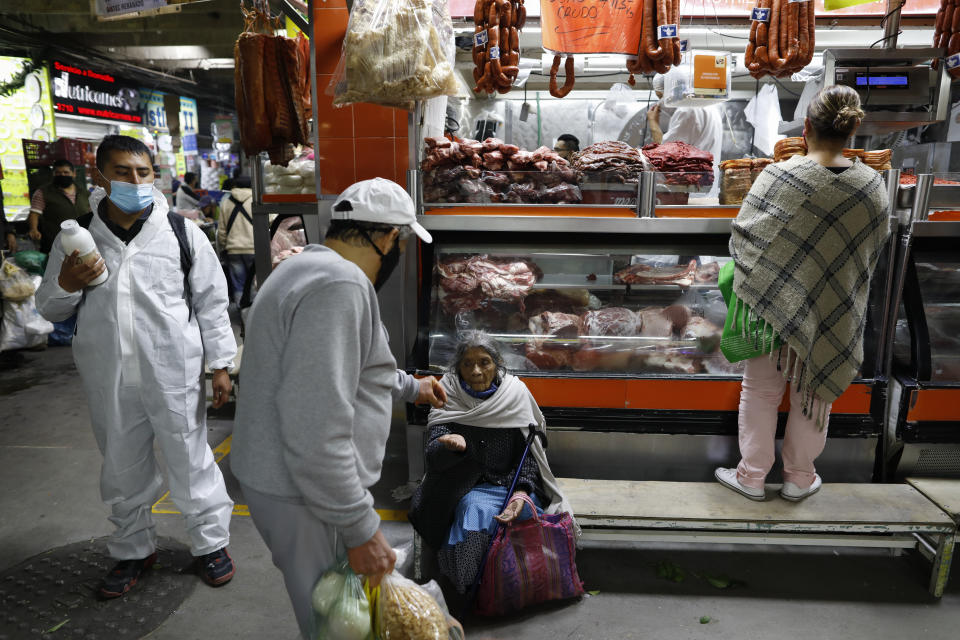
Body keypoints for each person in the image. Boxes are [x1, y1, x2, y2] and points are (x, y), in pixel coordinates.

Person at [231, 177, 447, 638]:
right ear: (389, 238)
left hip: (286, 483)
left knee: (335, 614)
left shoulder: (304, 267)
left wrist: (413, 387)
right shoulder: (339, 287)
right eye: (402, 242)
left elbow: (356, 368)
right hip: (307, 495)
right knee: (336, 623)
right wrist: (359, 527)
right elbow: (315, 425)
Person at [35, 135, 238, 597]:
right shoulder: (79, 235)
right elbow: (49, 308)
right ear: (101, 177)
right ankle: (132, 550)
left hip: (174, 372)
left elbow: (212, 302)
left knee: (190, 459)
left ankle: (210, 544)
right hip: (109, 374)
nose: (135, 181)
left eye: (143, 172)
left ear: (154, 175)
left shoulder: (183, 233)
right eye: (123, 172)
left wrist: (222, 365)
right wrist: (66, 282)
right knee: (122, 466)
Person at [714, 86, 890, 502]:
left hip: (772, 305)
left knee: (760, 389)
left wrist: (778, 280)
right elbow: (871, 250)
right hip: (833, 308)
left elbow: (743, 240)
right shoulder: (872, 186)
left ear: (806, 127)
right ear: (852, 132)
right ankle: (798, 477)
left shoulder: (779, 175)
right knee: (814, 392)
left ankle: (751, 477)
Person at [409, 331, 575, 596]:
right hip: (458, 485)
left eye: (484, 362)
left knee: (515, 512)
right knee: (473, 511)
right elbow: (433, 459)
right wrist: (452, 448)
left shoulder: (514, 395)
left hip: (510, 482)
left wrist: (521, 493)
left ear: (497, 364)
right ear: (458, 368)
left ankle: (506, 583)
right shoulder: (448, 392)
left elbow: (530, 455)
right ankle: (471, 588)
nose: (476, 371)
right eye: (467, 363)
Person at [646, 73, 724, 192]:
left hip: (692, 189)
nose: (661, 103)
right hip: (704, 187)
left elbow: (665, 155)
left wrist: (653, 122)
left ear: (671, 91)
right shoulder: (708, 106)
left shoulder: (688, 111)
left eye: (661, 97)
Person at [28, 159, 92, 254]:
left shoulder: (84, 193)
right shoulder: (43, 192)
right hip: (55, 243)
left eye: (66, 172)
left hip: (83, 241)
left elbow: (92, 213)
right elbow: (34, 213)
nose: (62, 175)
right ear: (53, 174)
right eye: (58, 173)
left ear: (73, 174)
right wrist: (34, 229)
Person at [216, 176, 255, 304]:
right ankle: (252, 312)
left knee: (239, 284)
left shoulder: (226, 202)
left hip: (233, 250)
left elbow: (221, 230)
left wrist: (223, 247)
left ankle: (240, 311)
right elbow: (270, 221)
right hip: (253, 248)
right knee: (254, 283)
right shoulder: (256, 199)